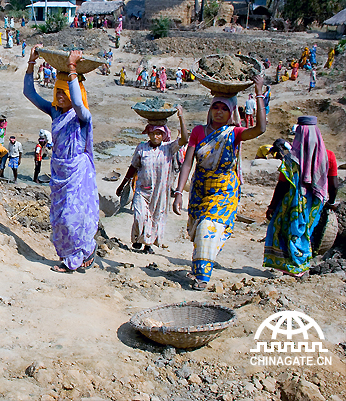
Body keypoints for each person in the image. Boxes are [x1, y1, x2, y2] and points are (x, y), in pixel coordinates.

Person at [173, 76, 267, 290]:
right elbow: (188, 163)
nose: (218, 112)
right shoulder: (199, 131)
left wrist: (259, 92)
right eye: (215, 107)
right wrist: (179, 192)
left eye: (224, 108)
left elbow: (260, 129)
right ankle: (200, 268)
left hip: (224, 190)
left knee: (209, 226)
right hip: (200, 190)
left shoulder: (234, 133)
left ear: (231, 112)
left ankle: (202, 278)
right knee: (197, 231)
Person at [24, 45, 99, 273]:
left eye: (64, 91)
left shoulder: (82, 116)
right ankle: (73, 255)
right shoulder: (55, 112)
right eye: (57, 90)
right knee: (59, 219)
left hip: (78, 172)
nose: (59, 95)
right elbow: (29, 94)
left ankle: (79, 256)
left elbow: (77, 103)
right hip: (59, 172)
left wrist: (72, 68)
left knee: (74, 217)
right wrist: (31, 63)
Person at [263, 116, 330, 277]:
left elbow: (282, 185)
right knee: (305, 231)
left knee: (286, 231)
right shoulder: (326, 157)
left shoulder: (291, 161)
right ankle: (302, 266)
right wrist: (330, 202)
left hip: (291, 204)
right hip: (314, 204)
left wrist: (272, 206)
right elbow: (331, 183)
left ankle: (292, 267)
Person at [117, 107, 189, 254]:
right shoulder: (142, 148)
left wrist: (181, 117)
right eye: (152, 133)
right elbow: (133, 167)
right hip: (142, 190)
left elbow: (184, 140)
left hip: (160, 192)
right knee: (139, 216)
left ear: (164, 135)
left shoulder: (169, 148)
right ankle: (137, 239)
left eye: (159, 133)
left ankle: (147, 244)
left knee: (155, 217)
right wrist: (122, 184)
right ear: (148, 133)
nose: (155, 136)